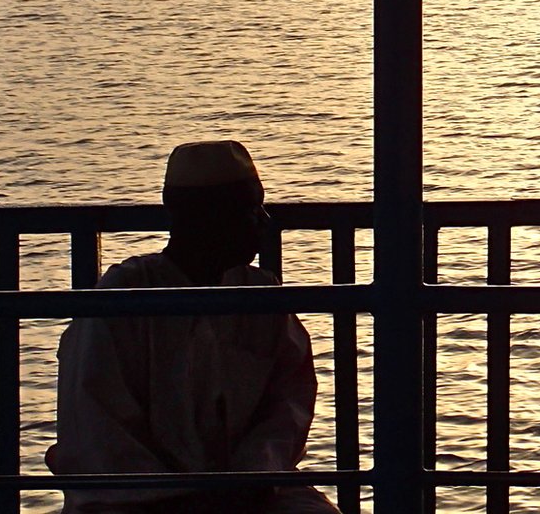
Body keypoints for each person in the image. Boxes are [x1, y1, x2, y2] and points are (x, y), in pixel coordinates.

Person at [48, 141, 338, 514]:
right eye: (249, 209)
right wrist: (176, 496)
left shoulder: (262, 296)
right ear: (206, 217)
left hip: (249, 492)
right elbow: (99, 430)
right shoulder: (122, 299)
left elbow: (287, 408)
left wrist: (251, 478)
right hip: (132, 501)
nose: (263, 222)